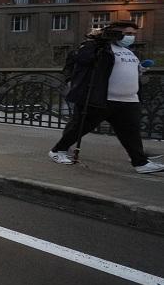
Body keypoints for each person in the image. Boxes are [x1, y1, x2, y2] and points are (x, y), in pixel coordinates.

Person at [49, 21, 162, 173]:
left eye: (134, 34)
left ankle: (140, 163)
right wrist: (98, 42)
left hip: (129, 99)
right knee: (80, 127)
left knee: (131, 132)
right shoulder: (99, 48)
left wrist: (140, 69)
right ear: (115, 33)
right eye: (127, 34)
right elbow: (81, 59)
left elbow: (122, 69)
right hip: (102, 98)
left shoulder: (129, 51)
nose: (131, 37)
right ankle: (58, 150)